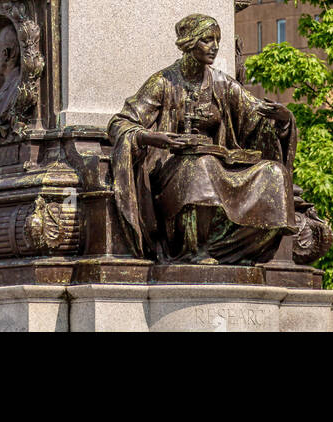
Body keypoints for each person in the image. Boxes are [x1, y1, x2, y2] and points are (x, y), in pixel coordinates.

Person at [108, 14, 297, 264]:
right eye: (207, 40)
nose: (215, 46)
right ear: (189, 43)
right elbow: (120, 123)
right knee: (201, 165)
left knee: (274, 173)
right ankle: (192, 249)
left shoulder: (223, 84)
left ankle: (233, 250)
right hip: (172, 166)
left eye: (217, 40)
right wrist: (154, 138)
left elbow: (257, 117)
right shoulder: (163, 82)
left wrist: (283, 121)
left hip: (220, 164)